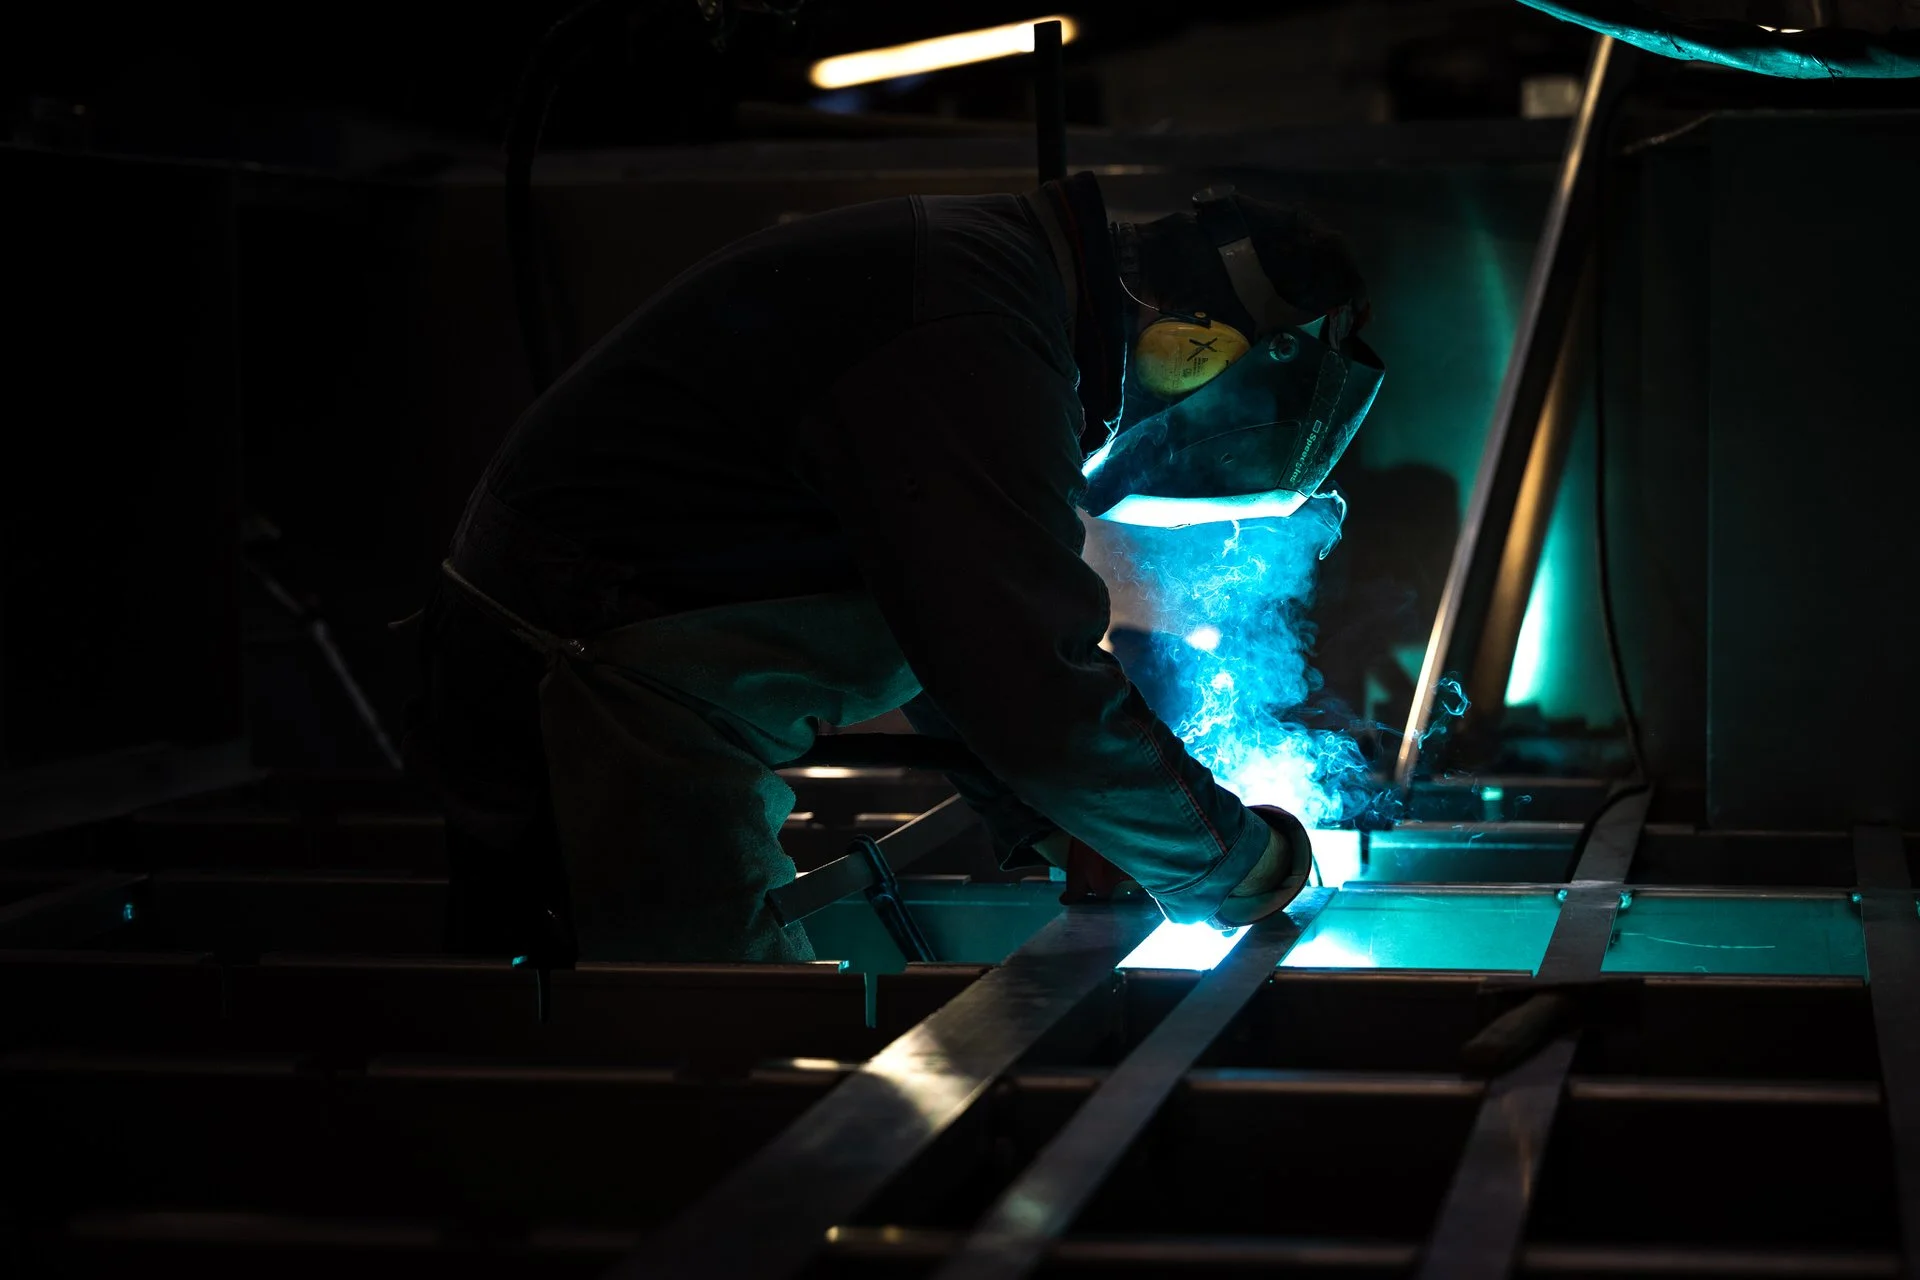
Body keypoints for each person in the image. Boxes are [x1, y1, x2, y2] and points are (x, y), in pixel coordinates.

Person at [403, 171, 1383, 964]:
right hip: (587, 678)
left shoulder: (1001, 292)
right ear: (1193, 341)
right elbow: (1023, 675)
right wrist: (1231, 863)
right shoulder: (973, 327)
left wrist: (1061, 822)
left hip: (618, 665)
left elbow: (944, 631)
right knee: (695, 1050)